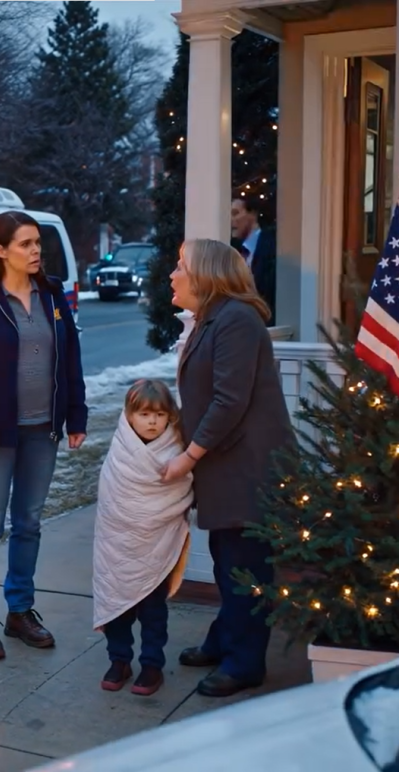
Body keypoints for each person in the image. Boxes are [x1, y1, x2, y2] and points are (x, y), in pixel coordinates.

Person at [0, 210, 88, 661]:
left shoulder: (51, 295)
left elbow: (71, 357)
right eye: (26, 244)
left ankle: (21, 611)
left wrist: (76, 415)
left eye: (37, 244)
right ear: (1, 251)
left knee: (28, 523)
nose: (35, 252)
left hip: (41, 429)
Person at [163, 238, 295, 698]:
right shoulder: (210, 319)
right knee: (228, 559)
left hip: (248, 465)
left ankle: (245, 663)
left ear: (205, 275)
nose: (173, 275)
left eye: (181, 267)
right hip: (228, 465)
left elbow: (228, 400)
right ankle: (226, 640)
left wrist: (188, 456)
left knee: (245, 567)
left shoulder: (236, 319)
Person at [93, 379, 193, 696]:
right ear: (129, 416)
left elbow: (180, 490)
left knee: (153, 609)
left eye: (160, 415)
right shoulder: (120, 452)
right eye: (145, 414)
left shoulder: (177, 452)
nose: (152, 422)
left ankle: (152, 664)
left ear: (170, 417)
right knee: (118, 605)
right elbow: (111, 497)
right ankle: (119, 659)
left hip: (157, 545)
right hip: (117, 542)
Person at [230, 196, 276, 325]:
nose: (230, 220)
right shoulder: (234, 250)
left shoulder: (272, 247)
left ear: (253, 214)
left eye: (235, 213)